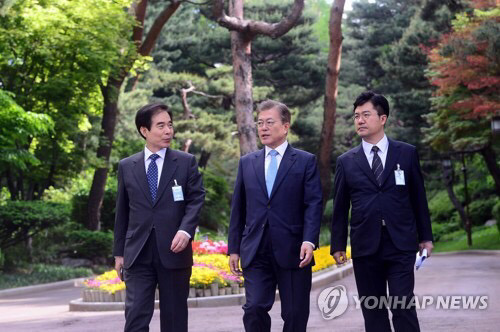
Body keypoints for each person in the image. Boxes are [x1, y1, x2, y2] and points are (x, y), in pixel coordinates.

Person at [331, 91, 433, 332]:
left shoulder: (406, 153)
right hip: (365, 245)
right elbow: (340, 207)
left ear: (383, 118)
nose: (360, 121)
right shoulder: (346, 161)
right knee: (373, 310)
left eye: (366, 115)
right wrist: (337, 245)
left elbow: (418, 198)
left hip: (400, 242)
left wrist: (426, 237)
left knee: (402, 304)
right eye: (356, 116)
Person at [228, 100, 323, 332]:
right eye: (260, 123)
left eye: (270, 122)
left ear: (286, 126)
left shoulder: (304, 161)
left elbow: (313, 204)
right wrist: (234, 248)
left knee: (294, 314)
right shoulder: (247, 163)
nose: (263, 128)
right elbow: (238, 209)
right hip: (256, 249)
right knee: (254, 308)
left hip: (293, 250)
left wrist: (309, 240)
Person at [113, 102, 205, 332]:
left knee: (174, 320)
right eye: (161, 126)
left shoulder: (185, 162)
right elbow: (122, 211)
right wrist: (118, 253)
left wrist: (186, 230)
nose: (168, 131)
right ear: (144, 131)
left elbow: (196, 199)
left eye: (170, 125)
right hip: (138, 253)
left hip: (174, 251)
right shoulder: (127, 166)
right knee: (135, 317)